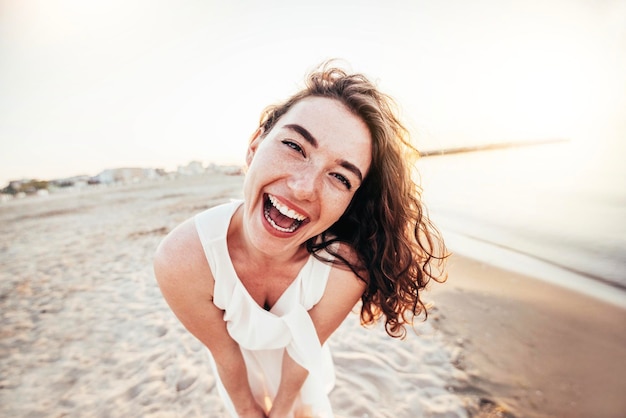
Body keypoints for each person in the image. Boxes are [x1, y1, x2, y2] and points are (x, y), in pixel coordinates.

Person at [153, 62, 448, 418]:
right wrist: (247, 409)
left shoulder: (345, 269)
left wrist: (280, 411)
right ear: (254, 146)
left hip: (302, 364)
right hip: (235, 366)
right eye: (294, 145)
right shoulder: (182, 260)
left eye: (340, 177)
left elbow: (304, 350)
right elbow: (224, 353)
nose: (303, 188)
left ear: (351, 200)